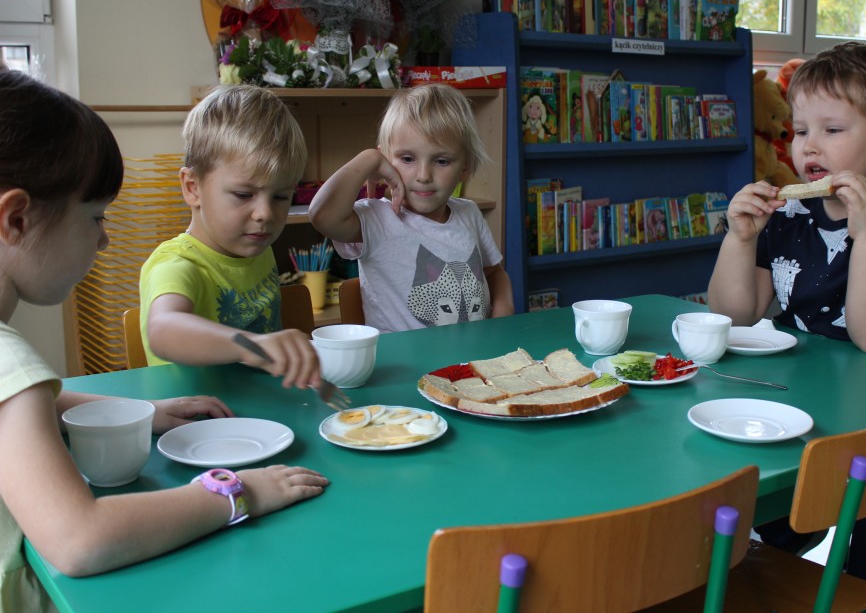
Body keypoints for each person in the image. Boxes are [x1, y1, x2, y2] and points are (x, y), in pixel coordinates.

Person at [0, 69, 328, 610]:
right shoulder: (9, 358)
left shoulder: (14, 378)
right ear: (15, 220)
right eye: (96, 217)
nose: (105, 240)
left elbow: (26, 404)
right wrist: (239, 492)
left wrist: (139, 411)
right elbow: (81, 539)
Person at [708, 42, 866, 605]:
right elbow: (734, 315)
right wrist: (739, 240)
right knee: (762, 519)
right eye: (799, 131)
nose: (808, 146)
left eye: (832, 130)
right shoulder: (788, 218)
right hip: (804, 405)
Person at [140, 85, 320, 388]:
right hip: (194, 414)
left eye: (280, 196)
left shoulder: (256, 247)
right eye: (243, 194)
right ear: (193, 187)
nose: (265, 213)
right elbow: (163, 329)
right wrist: (250, 346)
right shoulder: (176, 265)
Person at [309, 83, 513, 333]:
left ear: (465, 168)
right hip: (402, 357)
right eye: (407, 159)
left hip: (474, 352)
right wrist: (368, 159)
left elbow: (495, 273)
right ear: (385, 161)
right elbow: (321, 215)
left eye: (441, 161)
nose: (423, 175)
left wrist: (504, 309)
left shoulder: (469, 213)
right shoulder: (377, 218)